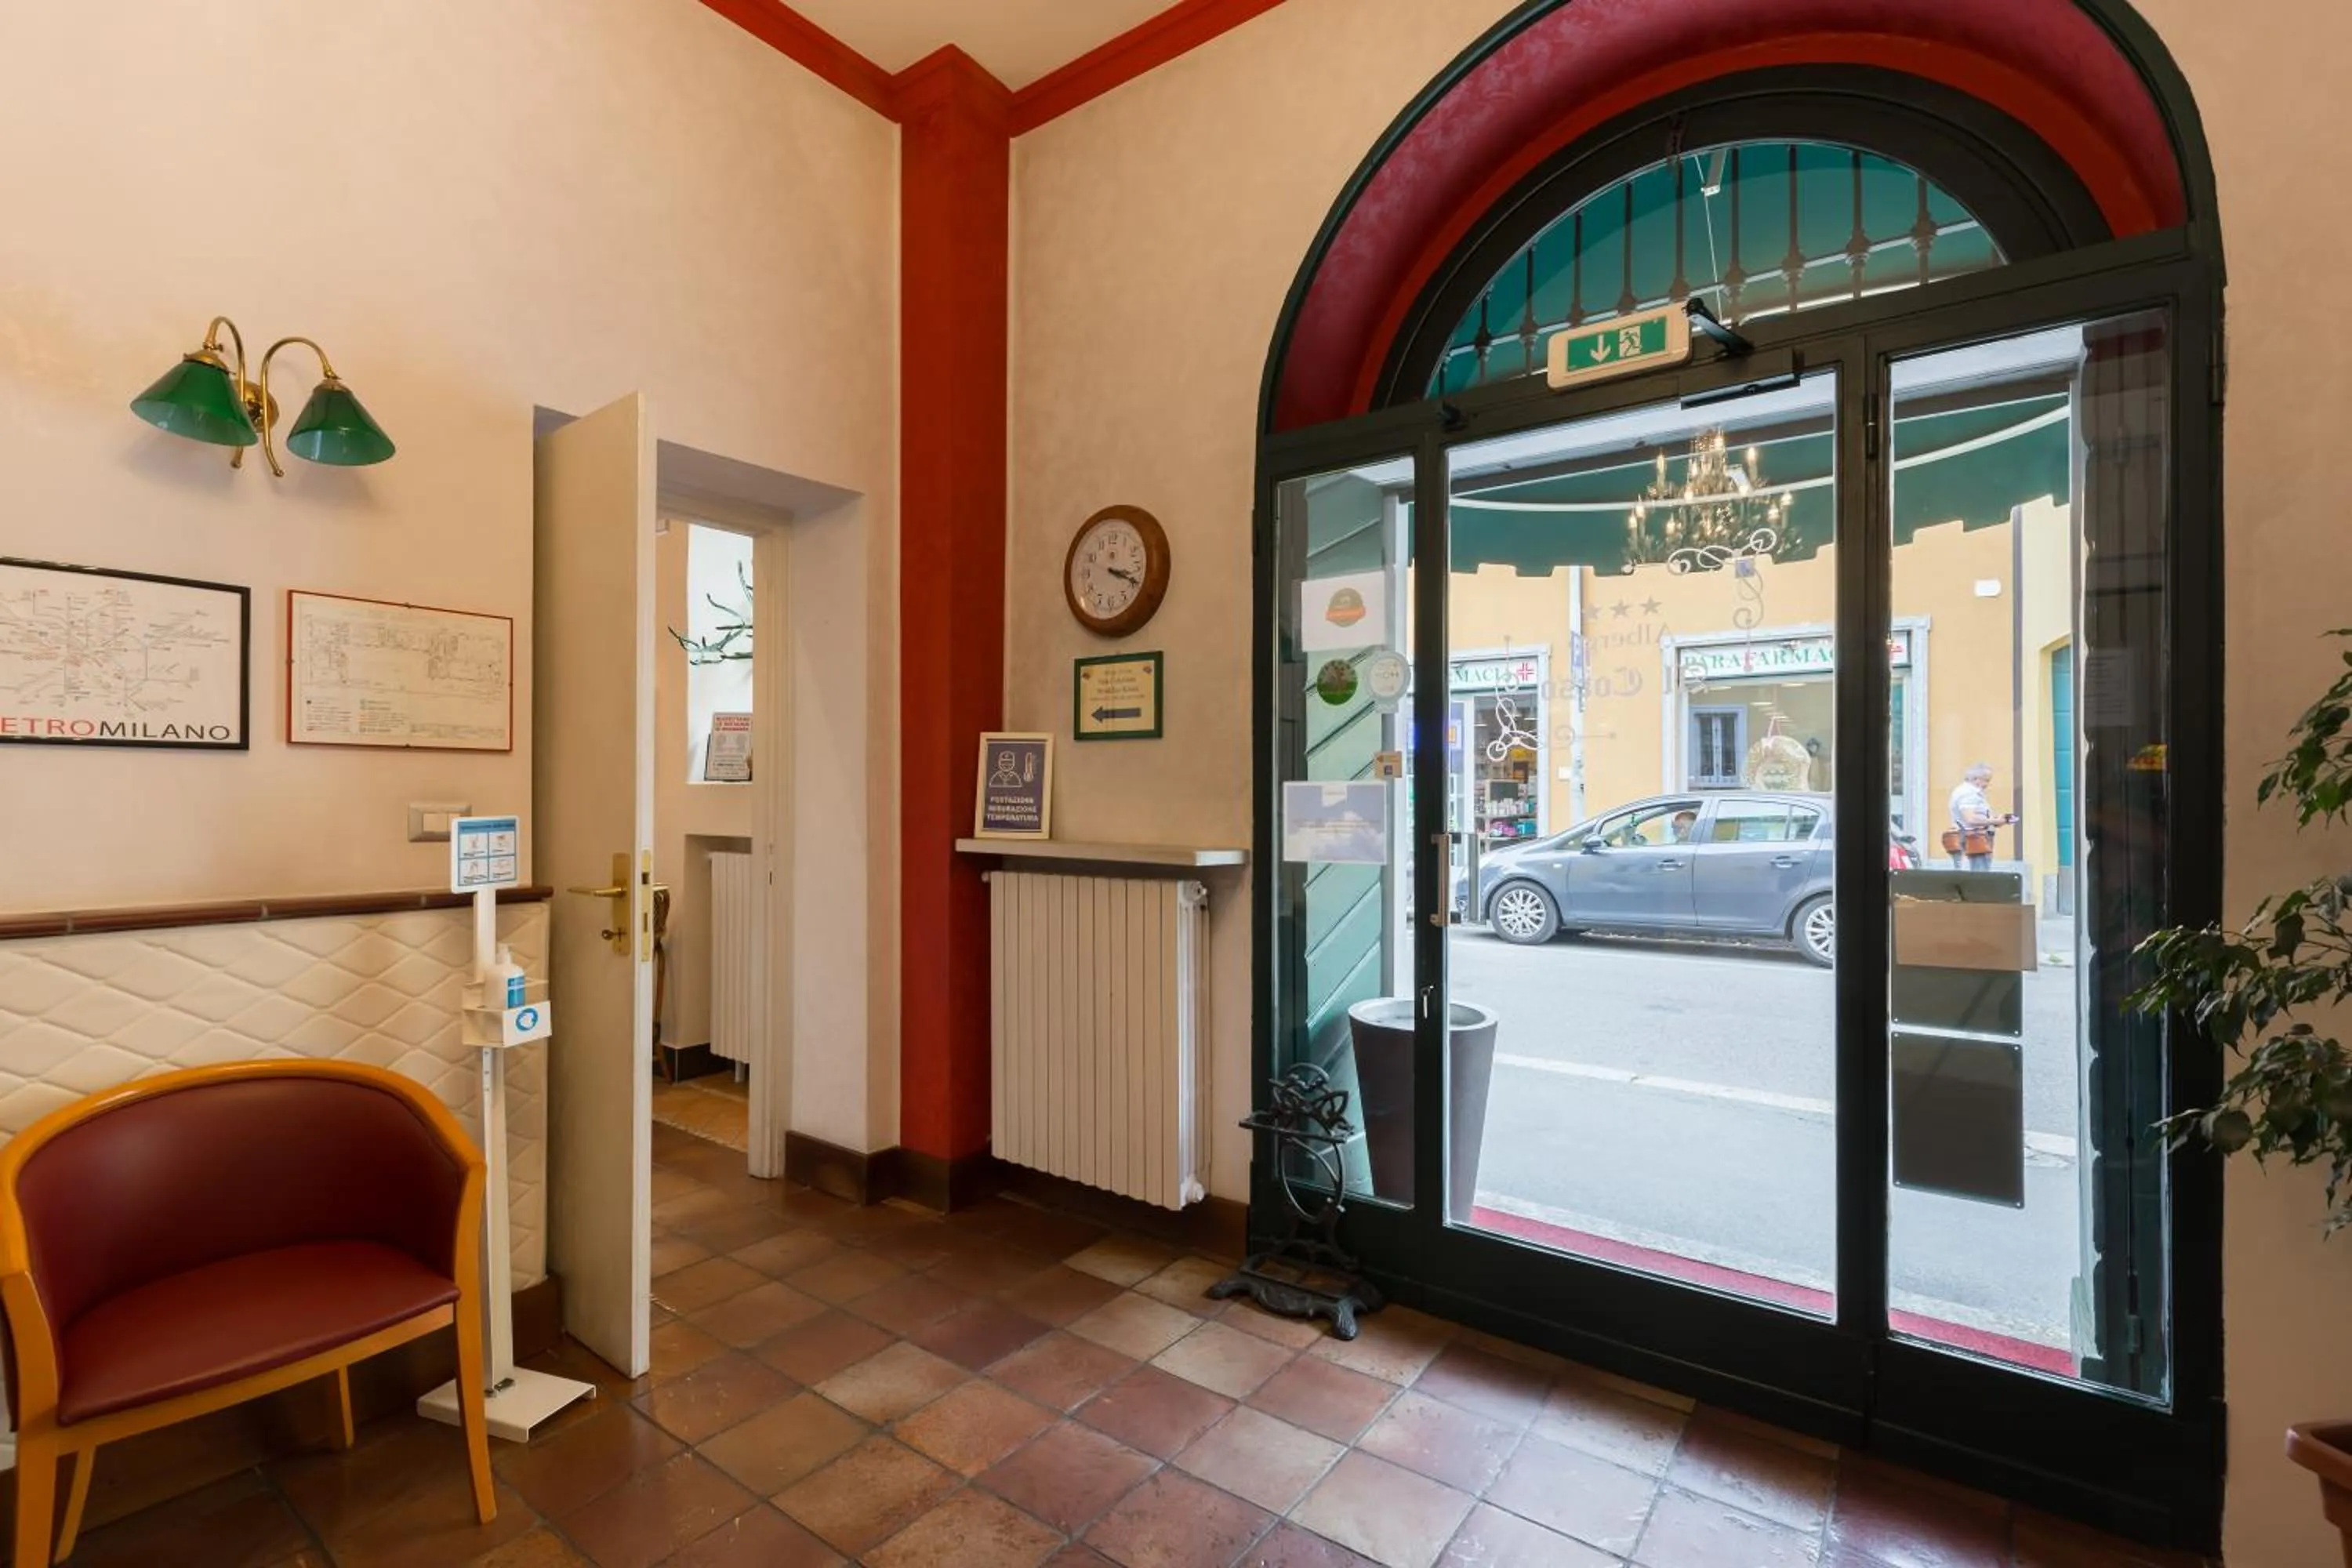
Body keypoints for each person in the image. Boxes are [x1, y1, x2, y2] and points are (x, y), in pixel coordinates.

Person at [1944, 762, 2018, 870]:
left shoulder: (1965, 792)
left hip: (1971, 840)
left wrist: (1995, 820)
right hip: (1974, 841)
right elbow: (1971, 819)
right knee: (1979, 877)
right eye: (1986, 780)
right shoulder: (1969, 794)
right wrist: (1994, 821)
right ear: (1976, 779)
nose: (1987, 784)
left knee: (1976, 875)